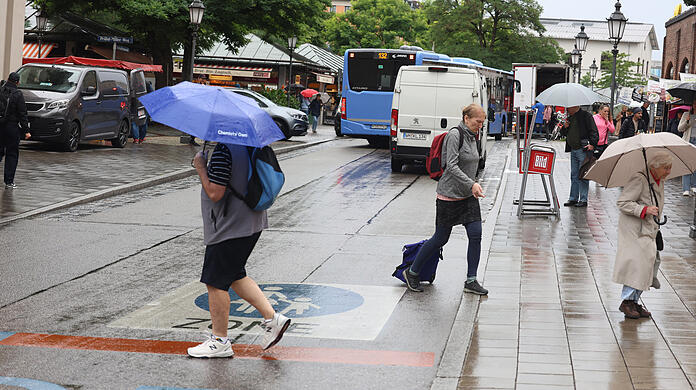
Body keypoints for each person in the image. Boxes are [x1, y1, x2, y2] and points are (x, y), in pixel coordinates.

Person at [187, 143, 291, 358]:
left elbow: (215, 192)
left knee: (215, 282)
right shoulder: (248, 144)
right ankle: (273, 319)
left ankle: (220, 341)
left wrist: (200, 167)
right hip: (251, 221)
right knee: (235, 275)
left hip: (230, 226)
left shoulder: (224, 151)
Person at [402, 104, 488, 295]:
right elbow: (451, 166)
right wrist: (471, 183)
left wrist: (474, 185)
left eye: (482, 122)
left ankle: (471, 280)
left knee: (476, 234)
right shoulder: (455, 135)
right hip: (449, 196)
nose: (480, 125)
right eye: (477, 122)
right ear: (466, 118)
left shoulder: (474, 136)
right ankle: (412, 272)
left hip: (467, 196)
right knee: (440, 238)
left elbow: (473, 164)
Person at [613, 152, 672, 319]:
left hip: (648, 229)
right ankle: (626, 302)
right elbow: (623, 202)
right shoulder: (640, 179)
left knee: (648, 266)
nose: (668, 172)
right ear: (655, 167)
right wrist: (644, 210)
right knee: (636, 267)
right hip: (634, 230)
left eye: (669, 168)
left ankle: (634, 301)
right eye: (666, 168)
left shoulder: (658, 181)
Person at [561, 105, 599, 208]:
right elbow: (563, 134)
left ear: (575, 106)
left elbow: (593, 131)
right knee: (574, 175)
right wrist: (565, 127)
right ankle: (573, 198)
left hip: (583, 149)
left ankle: (583, 199)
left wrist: (592, 144)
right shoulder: (570, 118)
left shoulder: (586, 116)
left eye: (568, 107)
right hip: (573, 149)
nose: (567, 109)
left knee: (583, 174)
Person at [0, 72, 31, 189]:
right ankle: (9, 182)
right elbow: (22, 114)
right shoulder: (18, 94)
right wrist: (26, 130)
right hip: (12, 128)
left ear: (8, 79)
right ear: (18, 82)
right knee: (12, 153)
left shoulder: (1, 90)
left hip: (0, 126)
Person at [678, 100, 696, 196]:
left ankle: (694, 186)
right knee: (686, 164)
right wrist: (687, 121)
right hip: (688, 141)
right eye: (694, 103)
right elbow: (680, 128)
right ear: (692, 105)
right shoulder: (686, 114)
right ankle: (686, 188)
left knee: (695, 165)